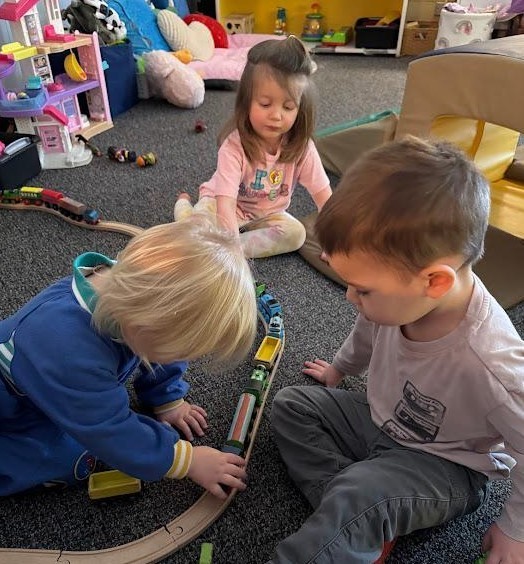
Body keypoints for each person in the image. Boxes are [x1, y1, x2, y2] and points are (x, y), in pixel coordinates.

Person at [269, 136, 524, 564]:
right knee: (291, 405)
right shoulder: (395, 299)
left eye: (363, 289)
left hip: (445, 467)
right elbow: (365, 336)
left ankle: (357, 512)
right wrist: (338, 370)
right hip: (379, 423)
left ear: (435, 282)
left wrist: (515, 531)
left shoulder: (493, 363)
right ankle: (361, 519)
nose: (351, 297)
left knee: (360, 493)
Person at [0, 218, 258, 500]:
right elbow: (109, 430)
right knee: (69, 456)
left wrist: (167, 398)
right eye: (183, 351)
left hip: (59, 389)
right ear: (143, 326)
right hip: (14, 411)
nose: (183, 359)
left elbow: (160, 351)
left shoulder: (137, 293)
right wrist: (187, 460)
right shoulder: (66, 349)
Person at [174, 35, 332, 259]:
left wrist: (333, 241)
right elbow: (226, 204)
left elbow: (323, 196)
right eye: (265, 104)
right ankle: (185, 212)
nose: (276, 116)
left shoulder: (302, 148)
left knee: (296, 235)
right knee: (195, 232)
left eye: (288, 107)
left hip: (265, 215)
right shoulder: (234, 146)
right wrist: (229, 241)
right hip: (221, 205)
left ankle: (220, 250)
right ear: (246, 101)